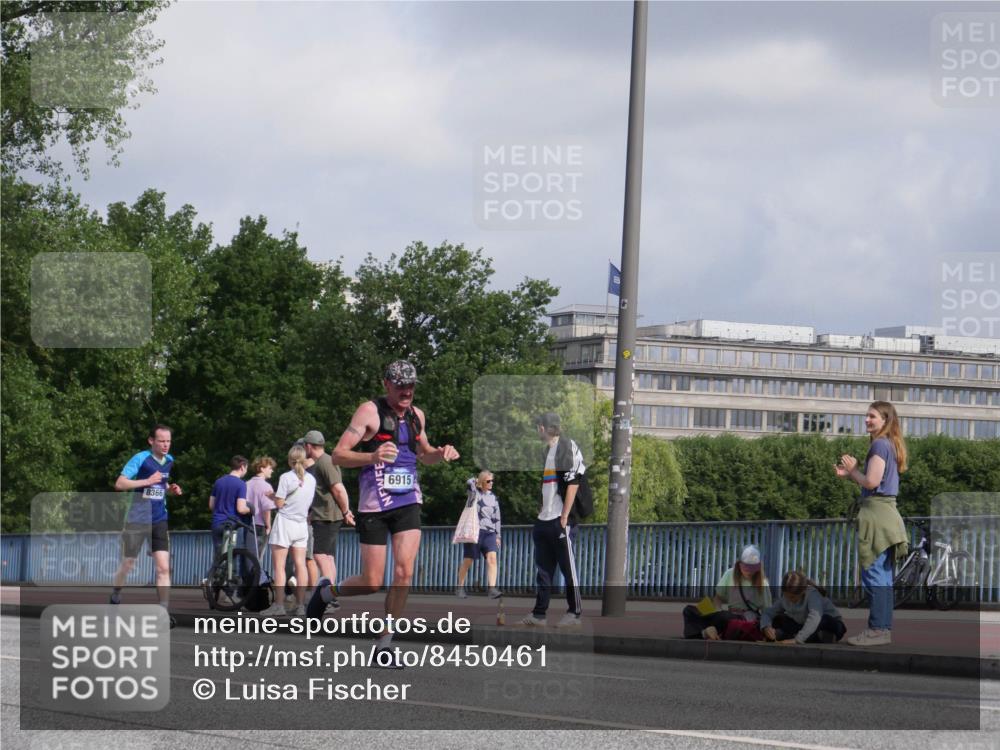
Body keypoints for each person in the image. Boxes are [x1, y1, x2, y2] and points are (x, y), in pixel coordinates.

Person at [307, 360, 460, 668]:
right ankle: (326, 592)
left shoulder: (417, 416)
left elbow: (425, 454)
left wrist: (441, 454)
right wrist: (373, 456)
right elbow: (338, 455)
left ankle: (385, 645)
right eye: (401, 386)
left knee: (404, 572)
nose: (407, 392)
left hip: (408, 501)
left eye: (411, 386)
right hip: (374, 505)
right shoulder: (369, 412)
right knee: (372, 581)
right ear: (386, 384)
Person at [835, 400, 909, 647]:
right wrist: (852, 474)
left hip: (876, 516)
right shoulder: (890, 444)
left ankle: (877, 630)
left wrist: (853, 470)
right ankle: (882, 629)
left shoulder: (879, 444)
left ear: (885, 420)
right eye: (867, 415)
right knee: (883, 577)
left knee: (874, 574)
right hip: (887, 514)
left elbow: (871, 482)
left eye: (872, 416)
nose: (867, 419)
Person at [109, 424, 183, 628]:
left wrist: (170, 489)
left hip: (159, 519)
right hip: (136, 519)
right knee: (128, 564)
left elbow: (161, 484)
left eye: (168, 441)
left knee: (163, 567)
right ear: (151, 441)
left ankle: (163, 612)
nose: (166, 445)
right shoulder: (140, 458)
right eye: (161, 441)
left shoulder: (169, 460)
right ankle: (115, 595)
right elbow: (120, 484)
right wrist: (146, 481)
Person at [519, 412, 586, 629]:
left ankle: (574, 613)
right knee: (544, 571)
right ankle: (539, 614)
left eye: (538, 426)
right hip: (544, 519)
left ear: (542, 427)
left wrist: (565, 516)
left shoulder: (567, 446)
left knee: (568, 569)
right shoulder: (548, 451)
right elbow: (550, 485)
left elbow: (574, 482)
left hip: (560, 519)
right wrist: (542, 508)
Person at [259, 445, 316, 617]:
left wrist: (273, 496)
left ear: (290, 460)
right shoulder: (311, 479)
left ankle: (279, 605)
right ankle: (300, 606)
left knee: (279, 567)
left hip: (285, 523)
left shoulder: (286, 477)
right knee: (301, 565)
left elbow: (279, 504)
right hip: (301, 524)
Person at [303, 430, 355, 611]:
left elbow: (338, 489)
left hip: (327, 516)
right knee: (329, 557)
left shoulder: (325, 462)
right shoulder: (323, 461)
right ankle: (331, 596)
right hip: (325, 515)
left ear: (308, 446)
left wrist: (346, 511)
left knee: (320, 555)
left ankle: (329, 598)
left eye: (304, 446)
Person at [681, 545, 771, 640]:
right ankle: (705, 632)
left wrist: (766, 628)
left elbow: (767, 611)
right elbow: (718, 598)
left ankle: (701, 633)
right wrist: (716, 611)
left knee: (724, 617)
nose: (749, 571)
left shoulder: (763, 583)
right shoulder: (730, 574)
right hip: (727, 614)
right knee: (689, 610)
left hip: (744, 618)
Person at [761, 570, 847, 644]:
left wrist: (797, 640)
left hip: (831, 625)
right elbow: (768, 612)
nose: (789, 600)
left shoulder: (812, 594)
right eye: (786, 596)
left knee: (823, 619)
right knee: (780, 619)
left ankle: (797, 636)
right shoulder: (785, 598)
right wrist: (766, 627)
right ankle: (815, 637)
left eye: (792, 597)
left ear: (803, 592)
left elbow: (814, 618)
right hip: (804, 625)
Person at [455, 471, 502, 599]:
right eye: (488, 481)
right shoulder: (474, 494)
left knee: (492, 559)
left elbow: (497, 518)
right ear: (482, 482)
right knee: (468, 560)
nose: (491, 483)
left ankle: (492, 589)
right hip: (475, 531)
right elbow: (469, 483)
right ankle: (460, 587)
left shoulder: (493, 498)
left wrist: (498, 535)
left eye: (492, 481)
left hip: (490, 533)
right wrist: (476, 481)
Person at [208, 455, 250, 559]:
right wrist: (250, 509)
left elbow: (211, 505)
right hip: (232, 525)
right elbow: (241, 509)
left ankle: (215, 569)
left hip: (217, 523)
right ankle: (230, 569)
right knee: (232, 557)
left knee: (219, 557)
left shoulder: (218, 482)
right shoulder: (241, 484)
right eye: (246, 468)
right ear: (242, 467)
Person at [246, 456, 277, 562]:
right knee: (257, 557)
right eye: (270, 468)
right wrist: (268, 526)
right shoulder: (266, 486)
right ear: (262, 468)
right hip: (259, 525)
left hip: (246, 523)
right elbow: (266, 508)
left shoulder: (246, 484)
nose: (272, 471)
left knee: (247, 556)